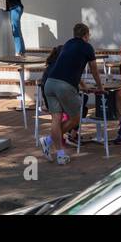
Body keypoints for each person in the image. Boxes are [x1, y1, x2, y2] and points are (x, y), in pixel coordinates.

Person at [39, 23, 103, 166]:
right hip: (64, 86)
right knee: (76, 118)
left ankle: (60, 155)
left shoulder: (68, 44)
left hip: (49, 84)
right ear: (86, 35)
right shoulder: (87, 47)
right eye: (89, 35)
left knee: (56, 119)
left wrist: (83, 86)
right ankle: (48, 140)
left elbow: (66, 67)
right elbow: (94, 70)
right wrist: (100, 87)